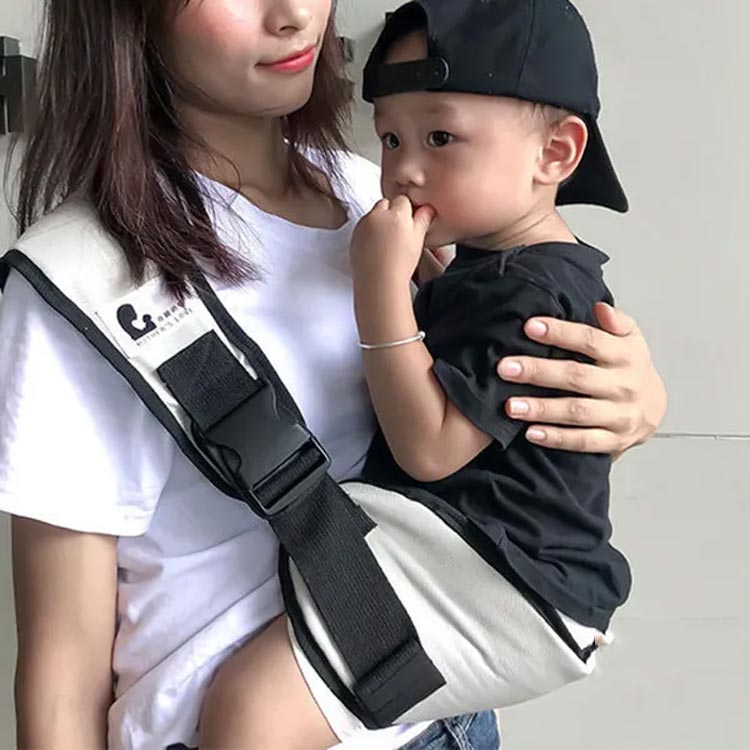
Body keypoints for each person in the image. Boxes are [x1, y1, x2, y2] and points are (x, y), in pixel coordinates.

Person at [0, 1, 665, 749]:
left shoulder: (378, 197)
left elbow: (485, 437)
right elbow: (63, 668)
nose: (292, 14)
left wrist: (627, 406)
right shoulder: (86, 278)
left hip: (440, 721)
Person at [197, 1, 653, 748]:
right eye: (390, 138)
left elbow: (431, 448)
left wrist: (379, 289)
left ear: (556, 152)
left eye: (441, 137)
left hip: (511, 579)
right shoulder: (496, 268)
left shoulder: (532, 294)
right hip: (494, 563)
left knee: (251, 712)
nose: (405, 169)